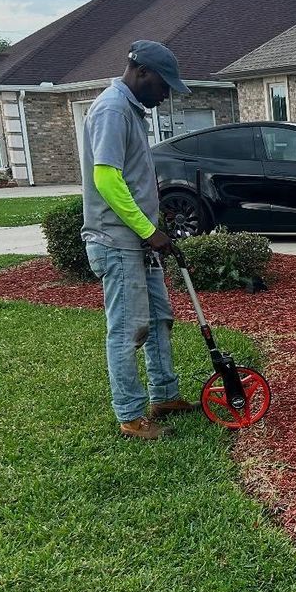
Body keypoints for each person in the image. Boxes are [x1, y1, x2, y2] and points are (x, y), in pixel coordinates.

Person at [80, 40, 198, 440]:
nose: (165, 95)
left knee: (160, 318)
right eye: (164, 85)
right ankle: (130, 416)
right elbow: (106, 178)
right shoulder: (112, 109)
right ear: (142, 72)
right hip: (117, 241)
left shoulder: (130, 109)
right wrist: (149, 230)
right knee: (127, 329)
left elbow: (129, 176)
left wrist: (152, 223)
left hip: (138, 240)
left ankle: (164, 394)